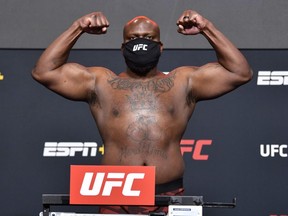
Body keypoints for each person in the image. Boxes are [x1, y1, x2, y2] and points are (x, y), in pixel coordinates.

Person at [32, 10, 252, 214]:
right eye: (132, 40)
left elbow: (240, 72)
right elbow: (44, 71)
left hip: (168, 195)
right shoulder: (101, 83)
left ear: (161, 46)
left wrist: (206, 27)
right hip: (115, 196)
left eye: (148, 39)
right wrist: (78, 27)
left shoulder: (184, 82)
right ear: (122, 47)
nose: (140, 44)